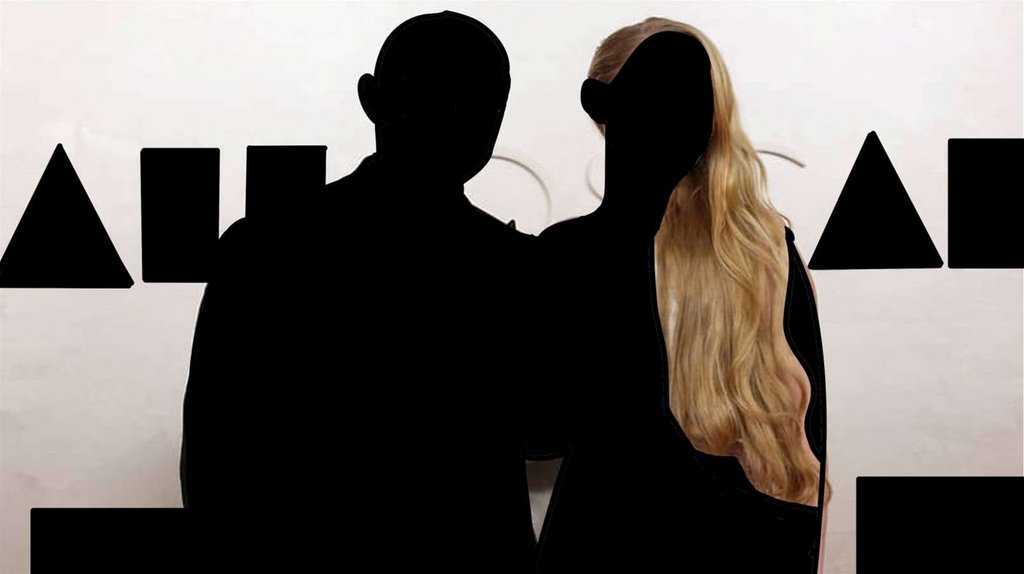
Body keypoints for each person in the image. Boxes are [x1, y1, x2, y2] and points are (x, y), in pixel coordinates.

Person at [179, 11, 538, 571]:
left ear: (371, 99)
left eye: (479, 102)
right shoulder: (514, 266)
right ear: (375, 99)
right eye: (439, 96)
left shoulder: (264, 249)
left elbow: (213, 466)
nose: (457, 115)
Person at [531, 23, 829, 573]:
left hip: (603, 545)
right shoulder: (768, 253)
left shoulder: (571, 253)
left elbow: (540, 430)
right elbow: (809, 454)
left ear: (599, 109)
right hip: (745, 550)